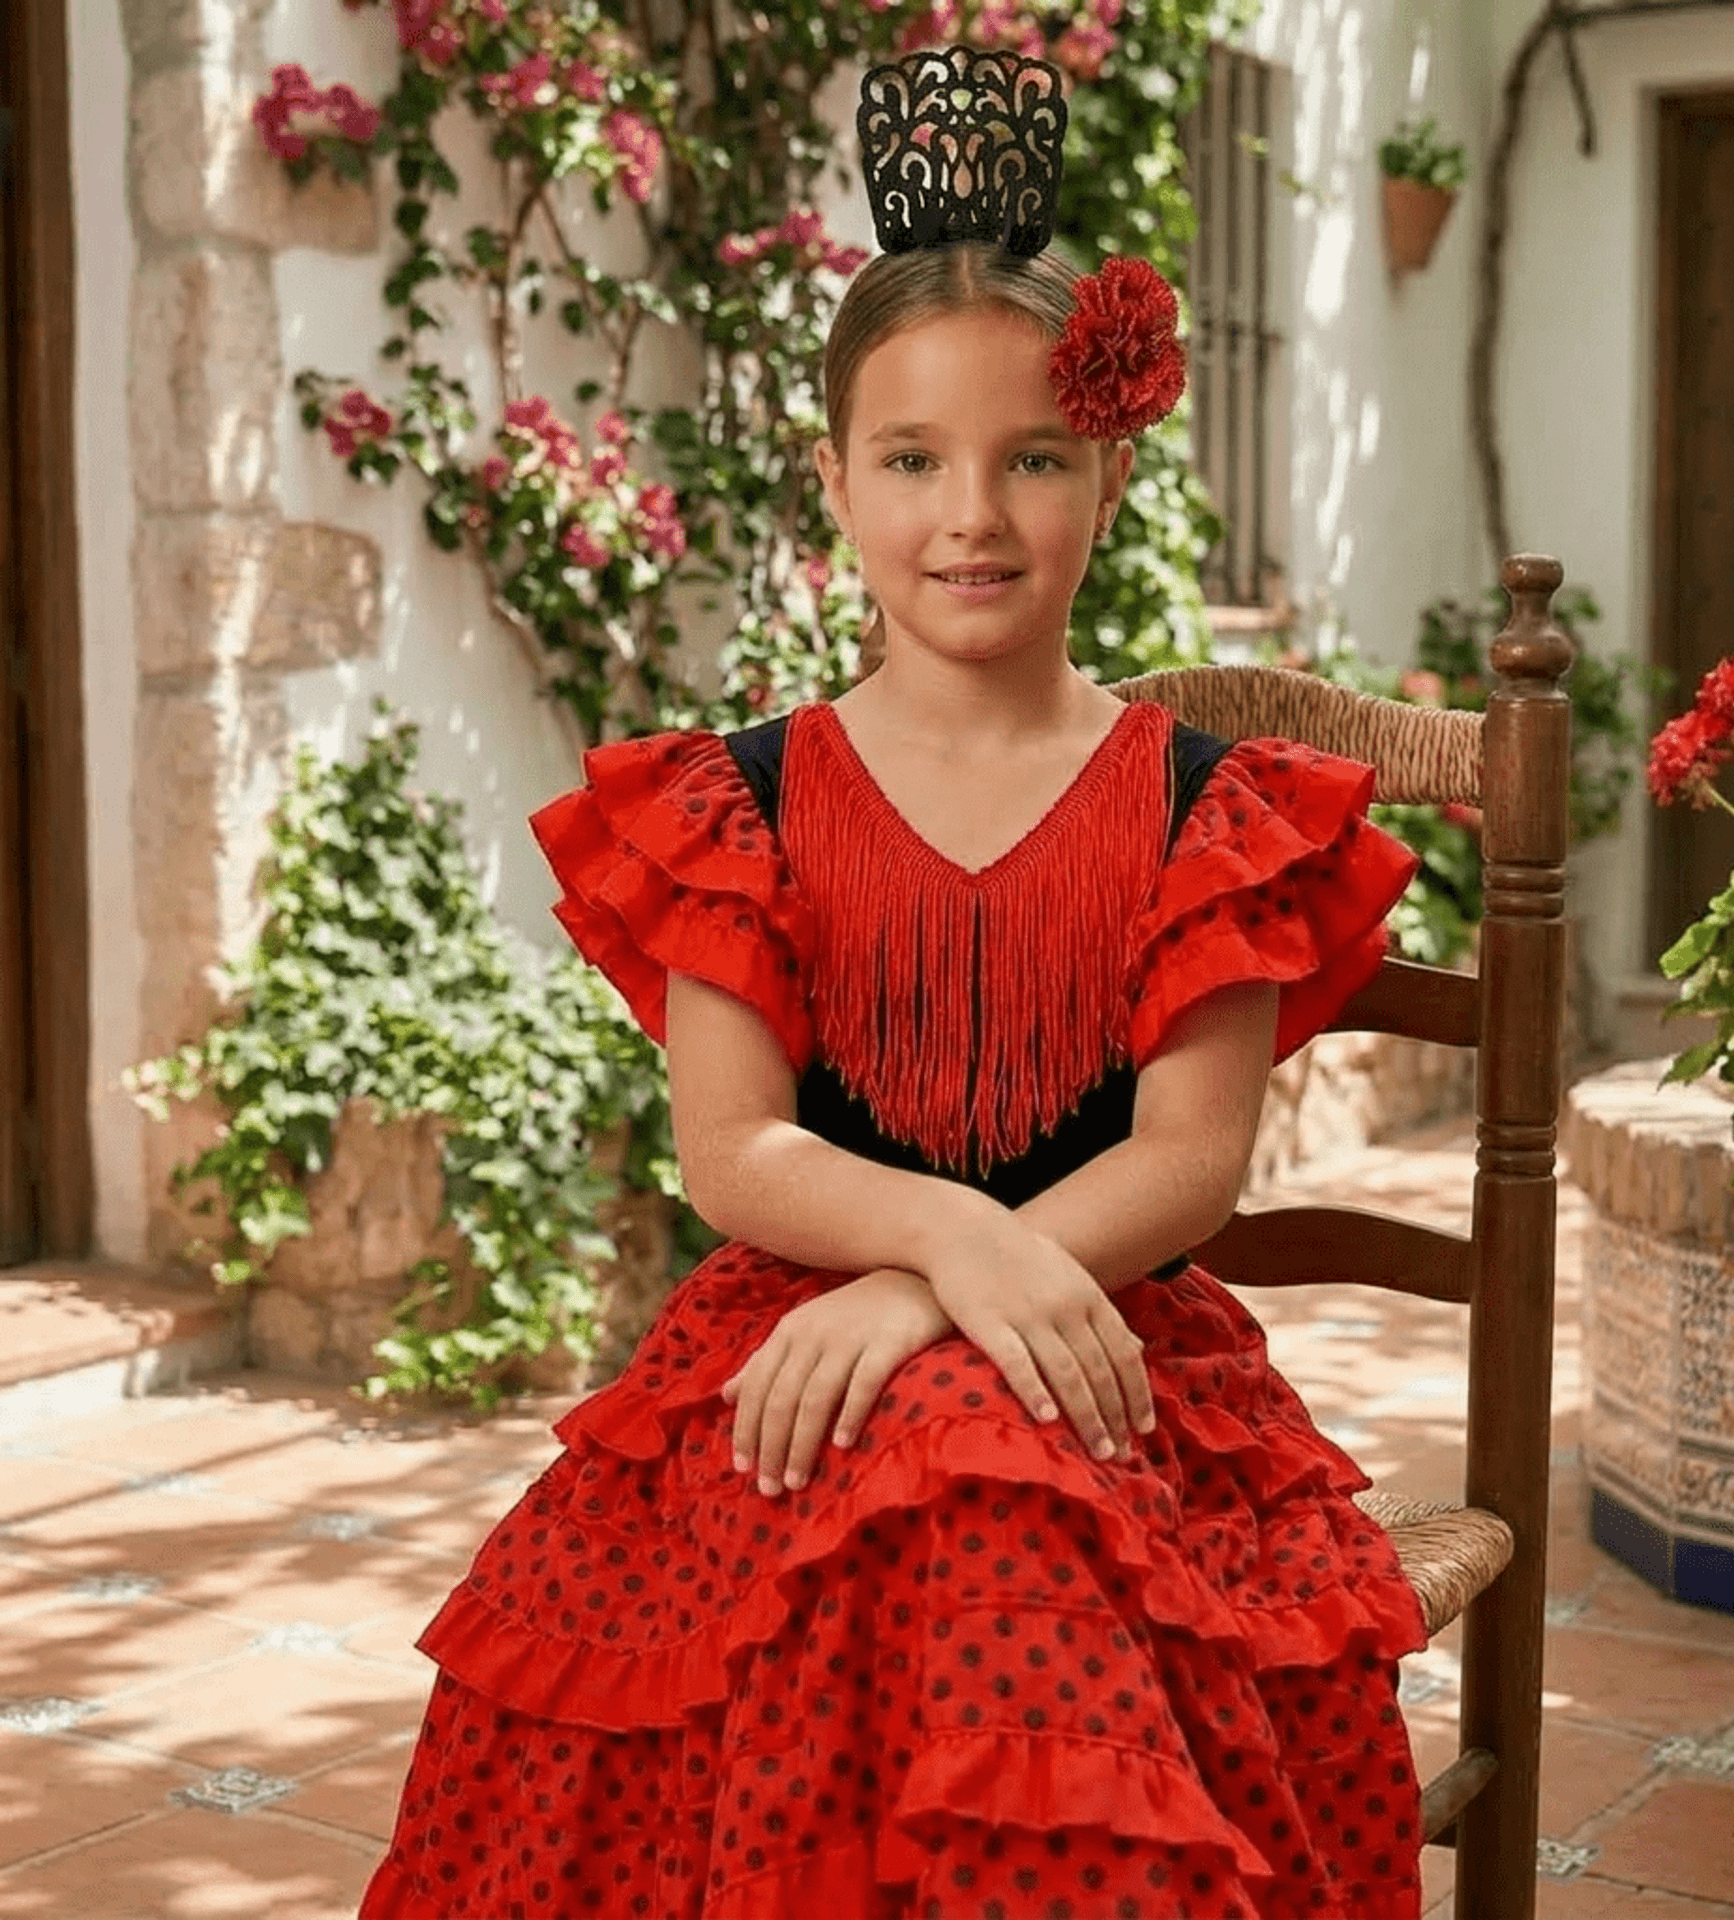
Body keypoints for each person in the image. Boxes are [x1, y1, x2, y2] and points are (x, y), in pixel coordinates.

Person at [362, 43, 1430, 1920]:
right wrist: (959, 1247)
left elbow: (1186, 1162)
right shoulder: (742, 800)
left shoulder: (1209, 808)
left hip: (1111, 1359)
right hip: (792, 1352)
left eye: (1034, 461)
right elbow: (732, 1147)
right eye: (916, 460)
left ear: (1106, 470)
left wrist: (942, 1298)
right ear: (837, 476)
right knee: (850, 1509)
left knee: (979, 1471)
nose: (975, 516)